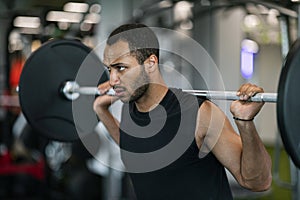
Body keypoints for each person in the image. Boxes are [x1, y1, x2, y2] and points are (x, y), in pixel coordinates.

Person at [93, 23, 272, 200]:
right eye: (109, 69)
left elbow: (258, 182)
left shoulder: (201, 114)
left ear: (151, 63)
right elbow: (134, 146)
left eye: (121, 68)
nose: (113, 79)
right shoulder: (130, 110)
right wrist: (101, 111)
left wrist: (245, 123)